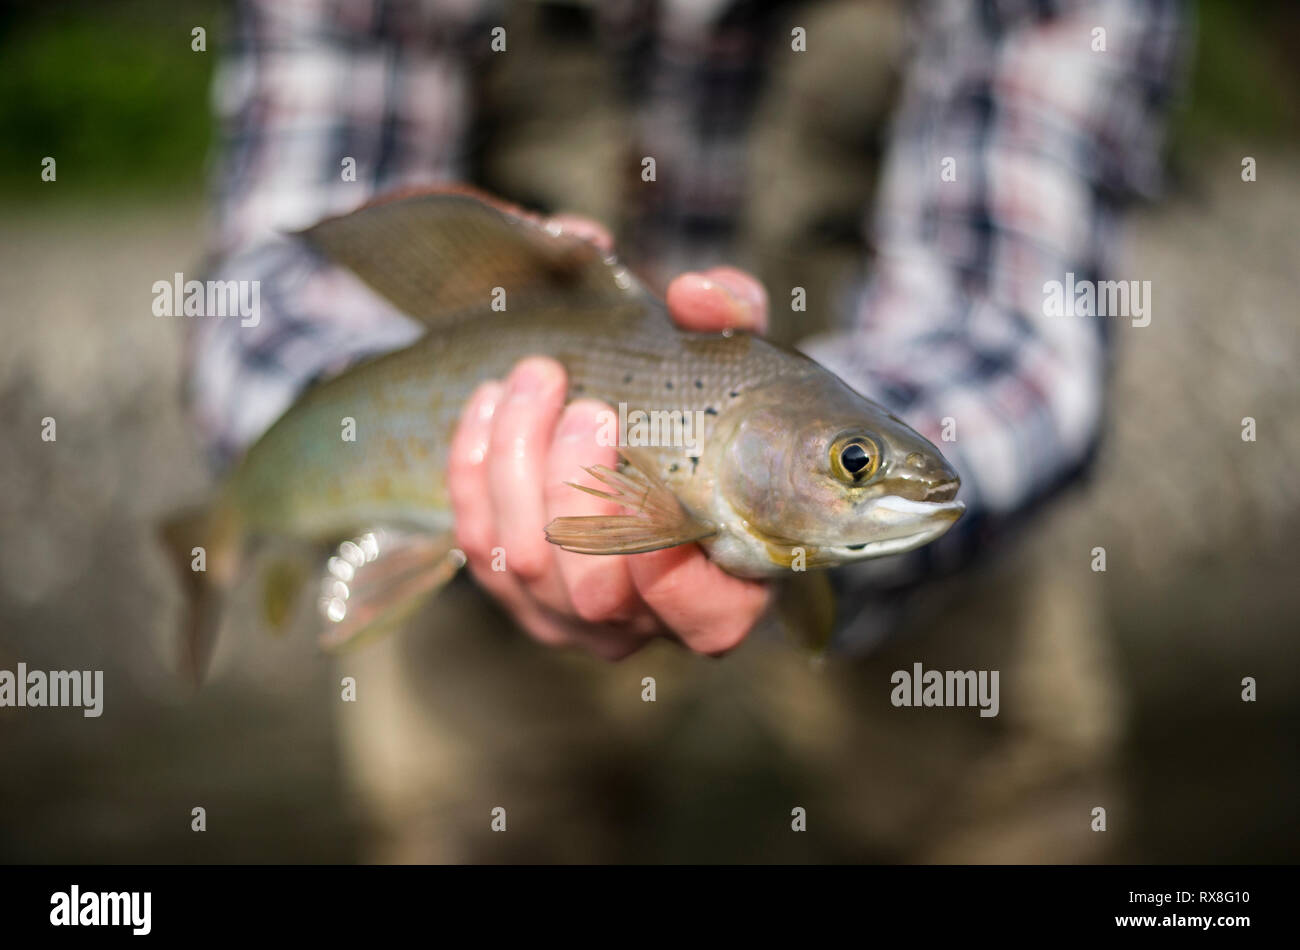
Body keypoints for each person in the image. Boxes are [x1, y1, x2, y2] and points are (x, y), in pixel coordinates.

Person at [189, 0, 1186, 861]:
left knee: (1008, 825)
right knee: (489, 831)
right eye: (853, 467)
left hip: (893, 394)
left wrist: (856, 473)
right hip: (479, 430)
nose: (865, 474)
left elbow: (1015, 317)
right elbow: (270, 291)